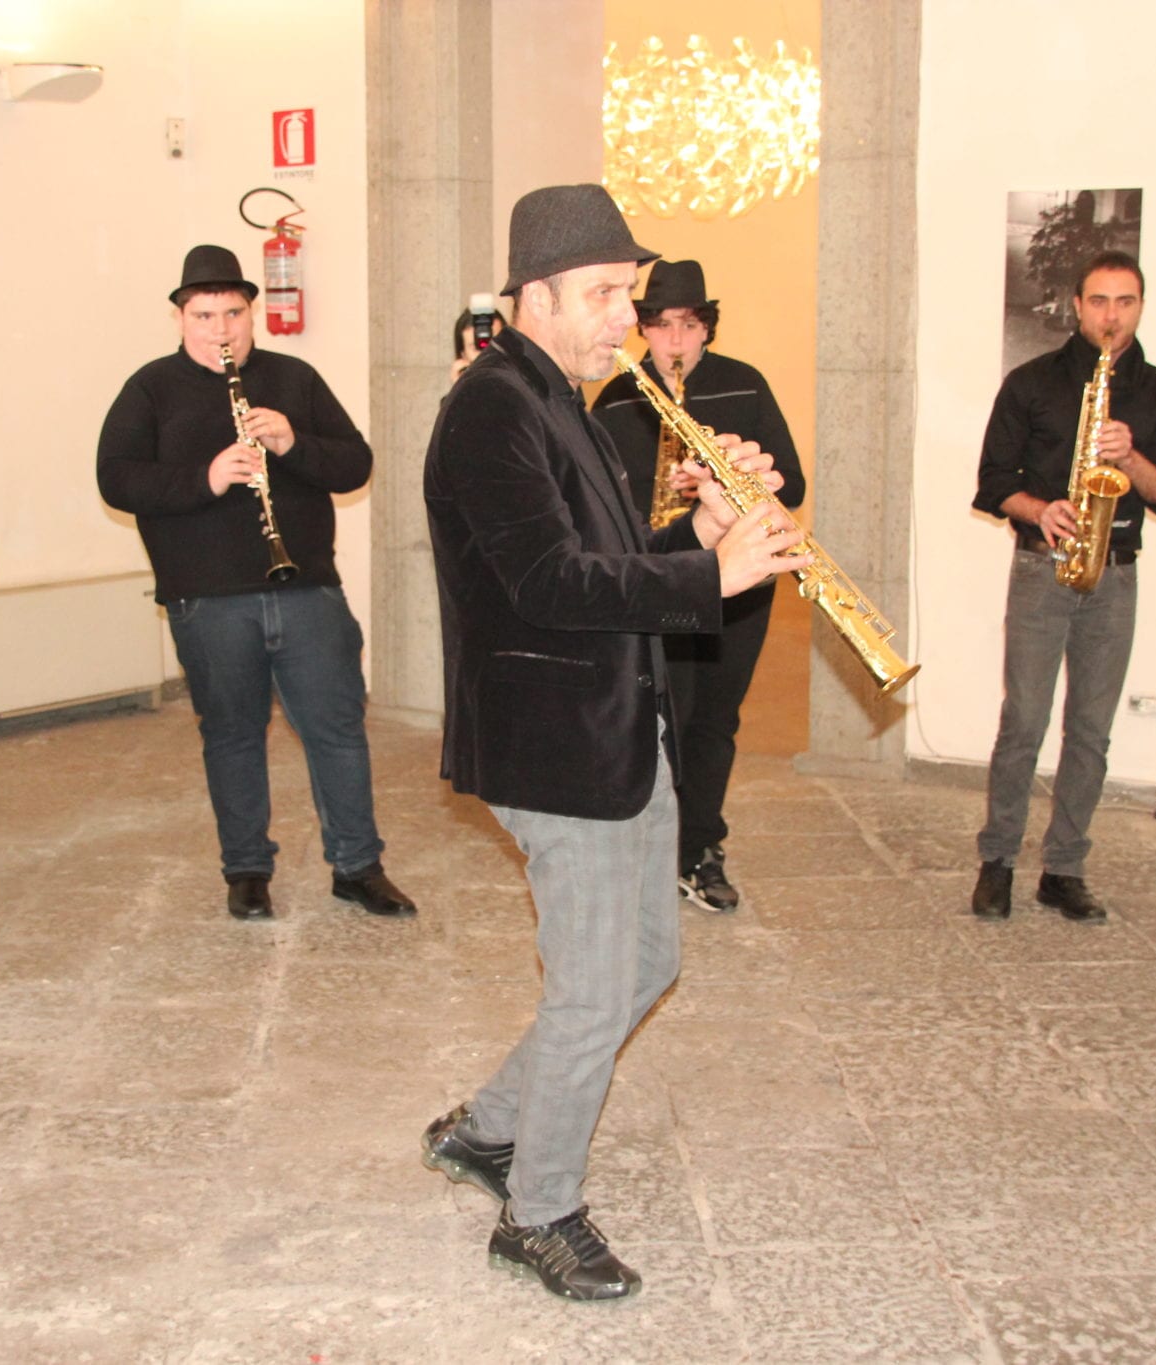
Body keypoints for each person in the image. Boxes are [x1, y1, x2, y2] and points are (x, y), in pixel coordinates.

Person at [419, 184, 806, 1302]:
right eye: (602, 295)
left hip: (616, 725)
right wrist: (711, 575)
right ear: (533, 295)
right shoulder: (491, 408)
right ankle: (536, 1215)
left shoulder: (563, 401)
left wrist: (702, 529)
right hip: (554, 742)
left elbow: (608, 555)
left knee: (647, 961)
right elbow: (549, 583)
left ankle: (487, 1129)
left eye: (627, 297)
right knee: (594, 991)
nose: (624, 321)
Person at [97, 245, 414, 923]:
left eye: (233, 314)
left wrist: (293, 443)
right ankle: (246, 871)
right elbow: (116, 478)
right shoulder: (150, 388)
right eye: (204, 315)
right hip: (207, 599)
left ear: (252, 313)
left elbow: (355, 464)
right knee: (232, 736)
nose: (221, 329)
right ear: (181, 317)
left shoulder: (293, 378)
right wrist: (205, 479)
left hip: (307, 591)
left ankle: (358, 866)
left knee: (337, 730)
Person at [969, 250, 1156, 923]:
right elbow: (992, 483)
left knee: (1091, 731)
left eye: (1125, 302)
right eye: (1099, 301)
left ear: (1140, 307)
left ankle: (1064, 869)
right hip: (1042, 568)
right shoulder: (1031, 382)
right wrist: (1041, 510)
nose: (1111, 315)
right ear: (1077, 305)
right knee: (1024, 723)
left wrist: (1131, 456)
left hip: (1115, 573)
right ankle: (998, 861)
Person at [591, 259, 806, 913]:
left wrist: (727, 481)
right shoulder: (617, 399)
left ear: (707, 327)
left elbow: (792, 483)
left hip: (742, 583)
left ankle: (700, 847)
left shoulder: (744, 384)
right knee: (665, 719)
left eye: (688, 325)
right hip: (662, 580)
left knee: (715, 718)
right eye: (661, 326)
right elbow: (599, 510)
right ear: (643, 329)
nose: (676, 341)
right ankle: (652, 843)